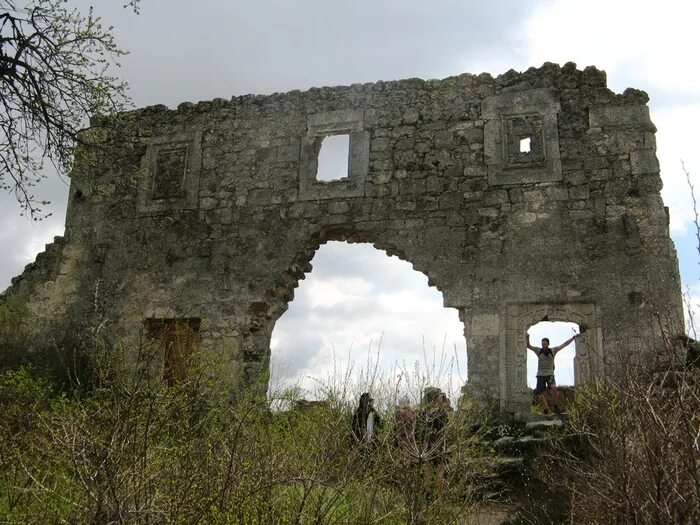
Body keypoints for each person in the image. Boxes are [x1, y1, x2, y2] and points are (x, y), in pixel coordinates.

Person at [526, 330, 581, 414]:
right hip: (540, 375)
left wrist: (573, 338)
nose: (543, 346)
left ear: (548, 344)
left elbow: (564, 344)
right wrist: (527, 337)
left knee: (554, 388)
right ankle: (546, 410)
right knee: (541, 394)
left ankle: (556, 407)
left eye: (545, 344)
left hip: (550, 374)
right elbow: (528, 346)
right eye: (542, 344)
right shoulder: (538, 351)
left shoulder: (553, 351)